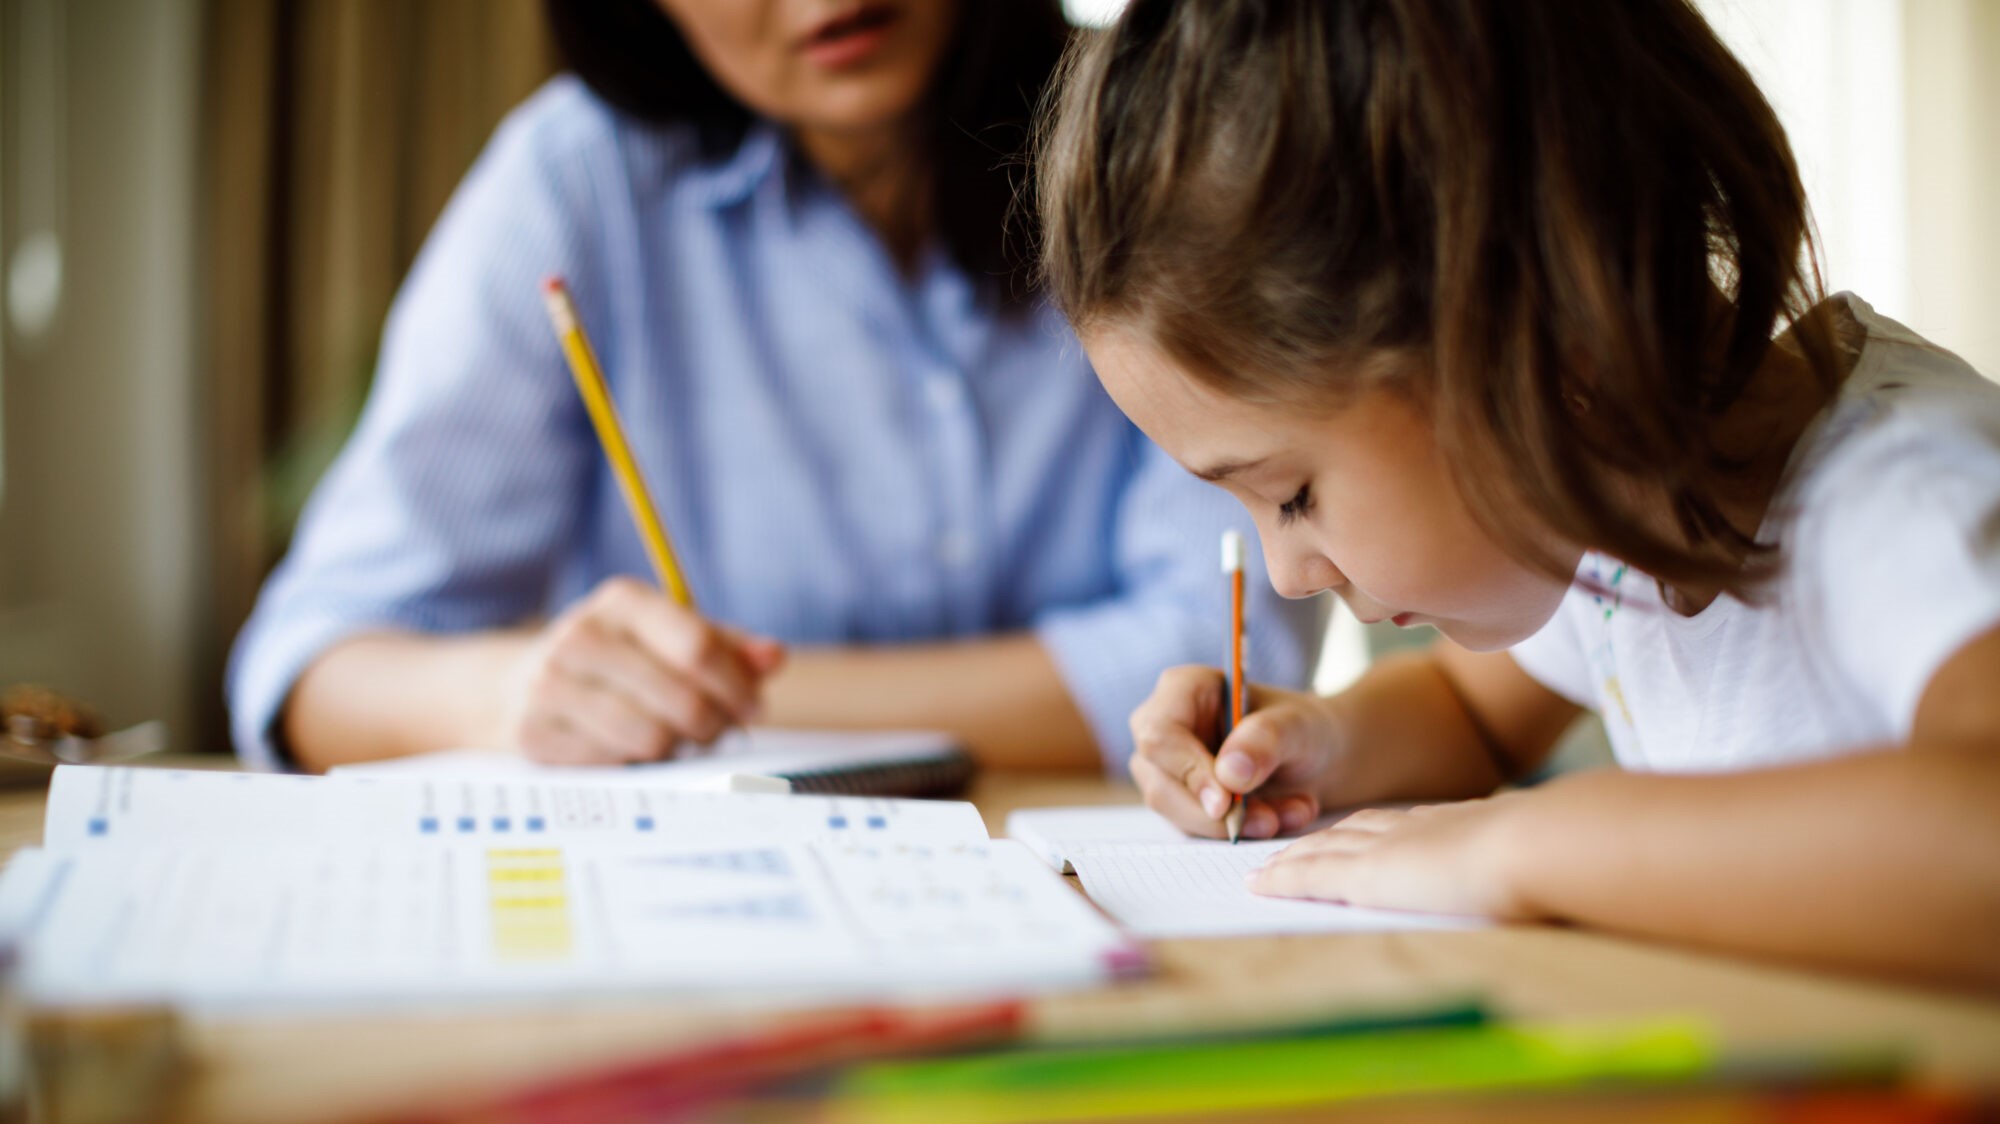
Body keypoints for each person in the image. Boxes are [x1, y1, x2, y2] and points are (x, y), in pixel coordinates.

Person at [1037, 0, 2000, 987]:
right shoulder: (1604, 510)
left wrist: (1530, 843)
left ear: (1525, 322)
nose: (1285, 575)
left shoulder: (1905, 497)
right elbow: (1470, 710)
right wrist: (1312, 744)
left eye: (1289, 494)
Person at [227, 0, 1318, 774]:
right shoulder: (577, 186)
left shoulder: (1159, 136)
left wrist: (724, 705)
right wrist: (515, 693)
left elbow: (1226, 656)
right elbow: (307, 667)